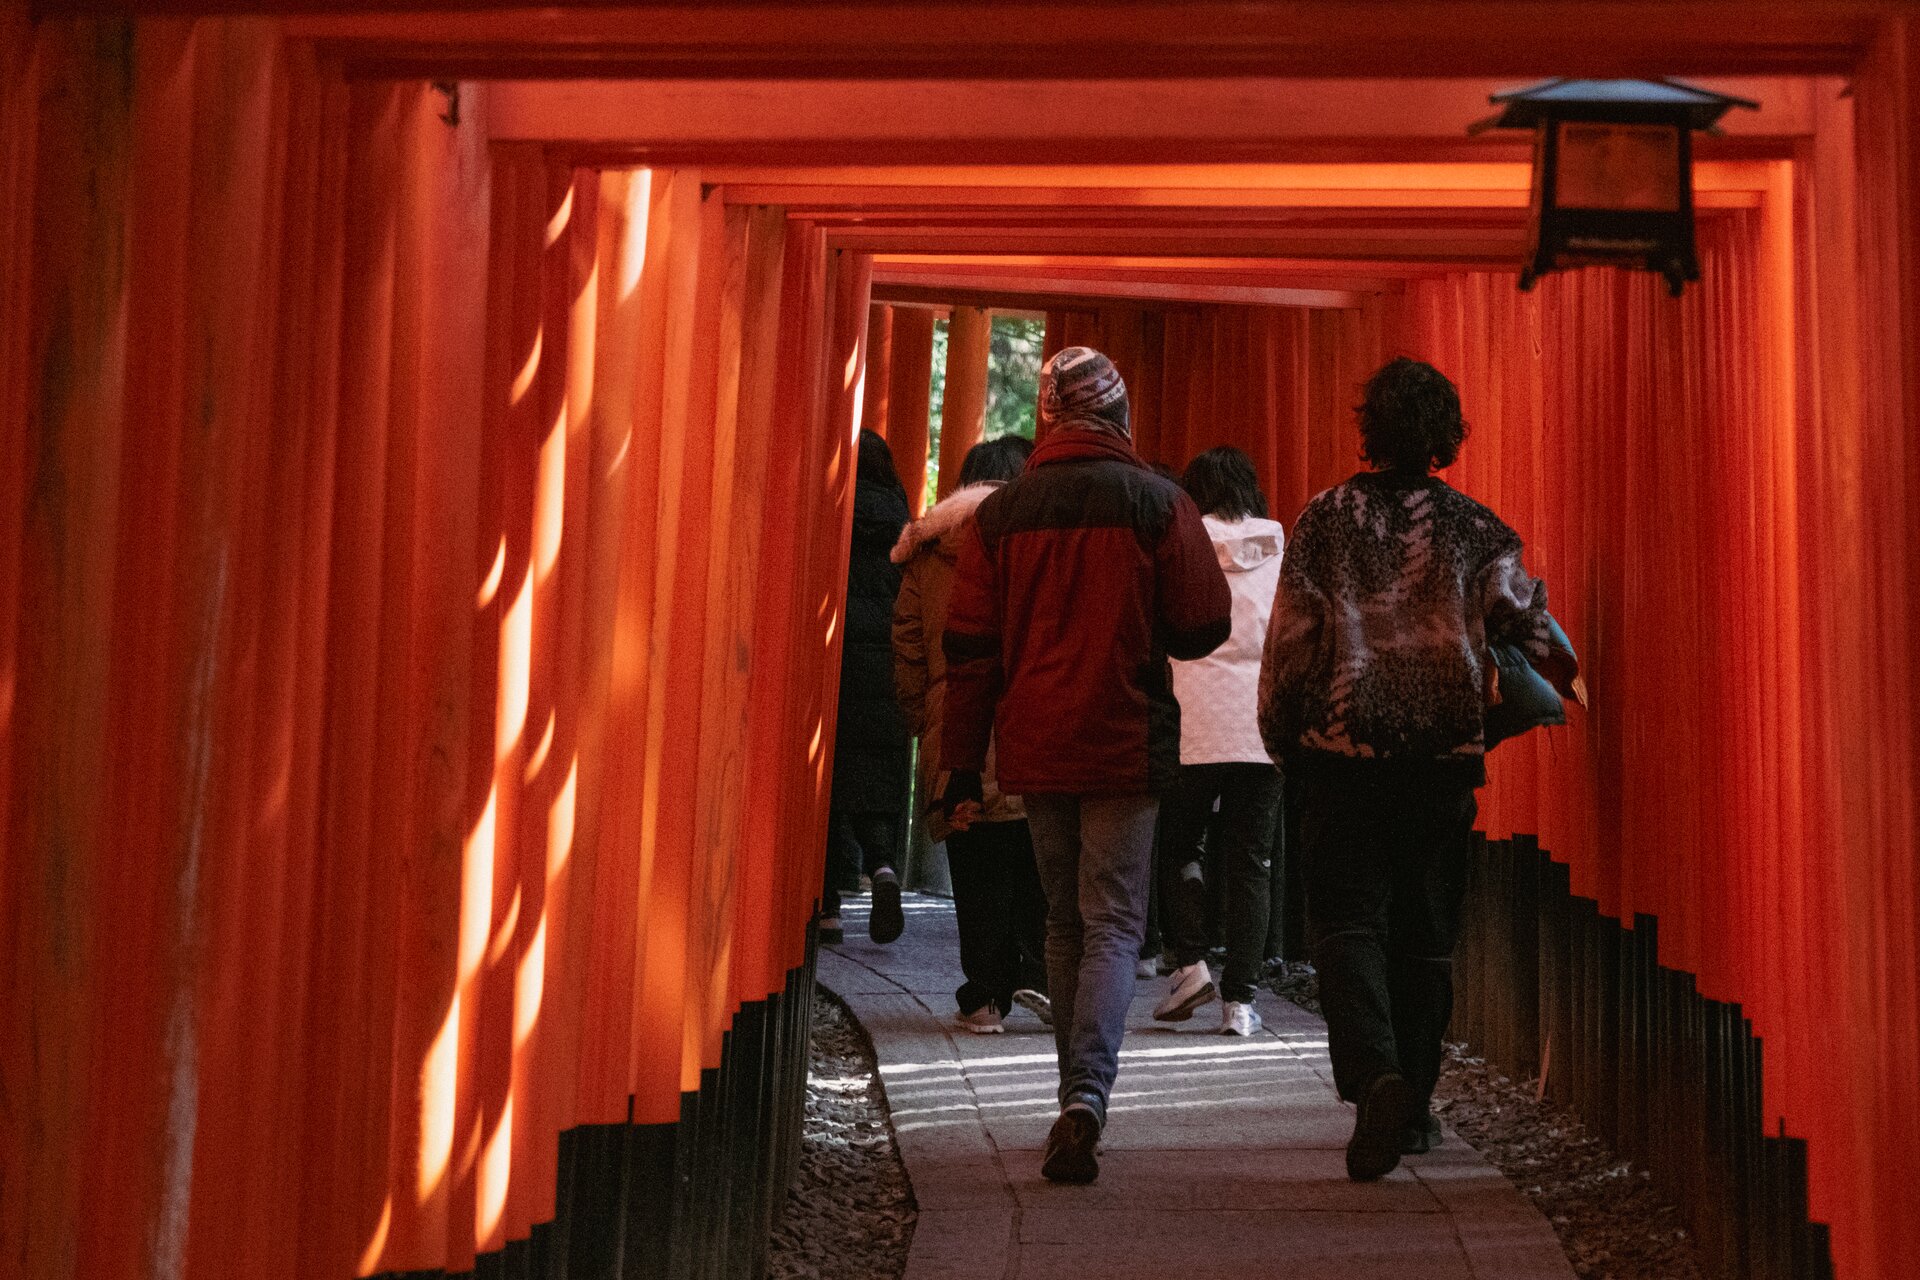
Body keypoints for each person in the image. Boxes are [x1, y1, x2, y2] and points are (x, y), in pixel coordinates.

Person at [1259, 357, 1553, 1182]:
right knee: (1425, 941)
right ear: (1446, 435)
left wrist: (1283, 740)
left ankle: (1375, 1077)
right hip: (1440, 764)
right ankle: (1415, 1110)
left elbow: (1290, 646)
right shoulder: (1479, 533)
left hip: (1342, 759)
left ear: (1371, 428)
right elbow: (1529, 635)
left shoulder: (1324, 522)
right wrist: (1501, 714)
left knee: (1347, 924)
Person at [942, 347, 1232, 1183]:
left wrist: (961, 765)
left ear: (1048, 417)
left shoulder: (1001, 516)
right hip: (1124, 737)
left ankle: (1075, 1094)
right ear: (1118, 414)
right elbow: (1204, 622)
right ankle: (1086, 1097)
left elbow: (970, 653)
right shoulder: (1155, 502)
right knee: (1112, 921)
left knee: (1064, 921)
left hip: (1035, 744)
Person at [892, 436, 1050, 1034]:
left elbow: (907, 646)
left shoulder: (927, 553)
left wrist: (923, 719)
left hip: (953, 719)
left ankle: (984, 995)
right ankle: (1035, 974)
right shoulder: (1037, 546)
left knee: (975, 865)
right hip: (1027, 720)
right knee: (1035, 856)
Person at [1152, 446, 1287, 1037]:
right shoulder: (1280, 548)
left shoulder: (1184, 543)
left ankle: (1191, 964)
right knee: (1251, 861)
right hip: (1263, 723)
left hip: (1192, 718)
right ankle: (1242, 1002)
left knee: (1181, 843)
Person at [821, 429, 914, 946]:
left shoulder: (828, 512)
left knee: (829, 786)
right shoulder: (903, 527)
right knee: (877, 781)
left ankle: (830, 909)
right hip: (888, 671)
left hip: (835, 666)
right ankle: (882, 869)